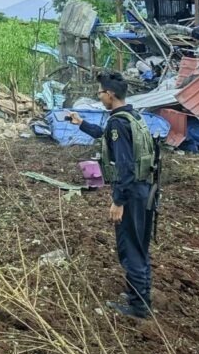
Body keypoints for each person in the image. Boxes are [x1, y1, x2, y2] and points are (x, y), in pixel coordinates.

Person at [67, 71, 157, 319]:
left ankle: (139, 307)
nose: (99, 97)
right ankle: (138, 294)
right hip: (145, 191)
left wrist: (118, 201)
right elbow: (107, 138)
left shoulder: (119, 122)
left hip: (131, 194)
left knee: (130, 248)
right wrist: (81, 123)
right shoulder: (131, 115)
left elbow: (125, 166)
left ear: (110, 94)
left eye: (100, 93)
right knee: (140, 244)